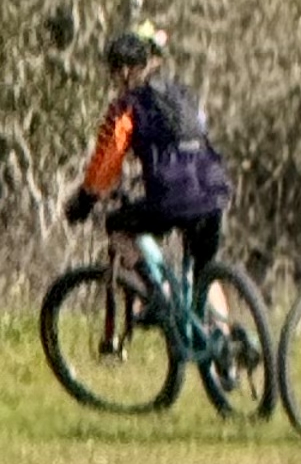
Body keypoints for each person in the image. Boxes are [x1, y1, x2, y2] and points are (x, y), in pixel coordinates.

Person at [62, 17, 233, 297]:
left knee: (117, 226)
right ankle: (222, 338)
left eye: (114, 73)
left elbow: (105, 164)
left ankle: (159, 295)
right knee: (205, 272)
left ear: (126, 71)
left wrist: (84, 200)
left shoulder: (127, 106)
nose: (114, 80)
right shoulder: (182, 94)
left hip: (173, 196)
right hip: (215, 187)